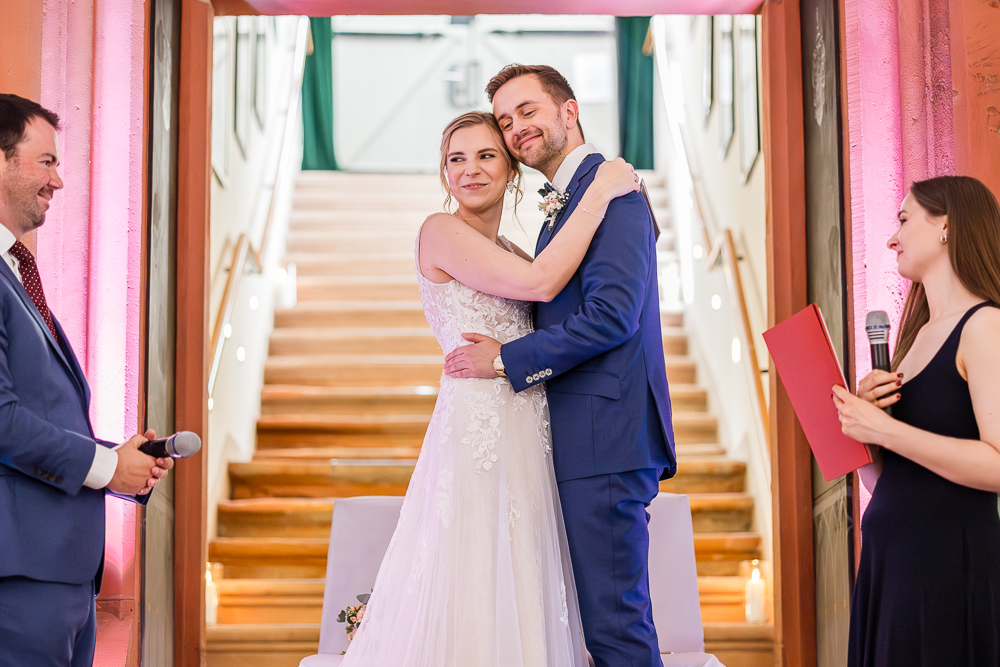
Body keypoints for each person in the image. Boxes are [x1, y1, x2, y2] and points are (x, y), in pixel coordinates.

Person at [339, 110, 640, 666]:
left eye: (486, 156)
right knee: (475, 559)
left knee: (524, 560)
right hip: (479, 416)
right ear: (443, 173)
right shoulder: (440, 230)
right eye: (457, 158)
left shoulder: (514, 246)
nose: (470, 170)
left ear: (510, 169)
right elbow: (541, 283)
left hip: (530, 417)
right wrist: (599, 193)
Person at [443, 65, 676, 667]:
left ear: (569, 111)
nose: (516, 127)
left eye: (528, 110)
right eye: (505, 119)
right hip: (577, 437)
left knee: (614, 629)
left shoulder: (612, 185)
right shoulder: (567, 204)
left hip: (605, 435)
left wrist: (505, 360)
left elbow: (612, 316)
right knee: (590, 628)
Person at [0, 94, 173, 667]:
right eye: (45, 161)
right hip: (18, 574)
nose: (59, 180)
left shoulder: (15, 271)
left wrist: (122, 464)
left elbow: (40, 412)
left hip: (63, 575)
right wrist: (105, 467)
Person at [833, 175, 1000, 666]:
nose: (892, 237)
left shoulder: (985, 325)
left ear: (946, 226)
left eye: (904, 220)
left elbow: (997, 463)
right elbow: (890, 481)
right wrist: (859, 433)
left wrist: (887, 430)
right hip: (892, 566)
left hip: (946, 567)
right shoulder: (915, 337)